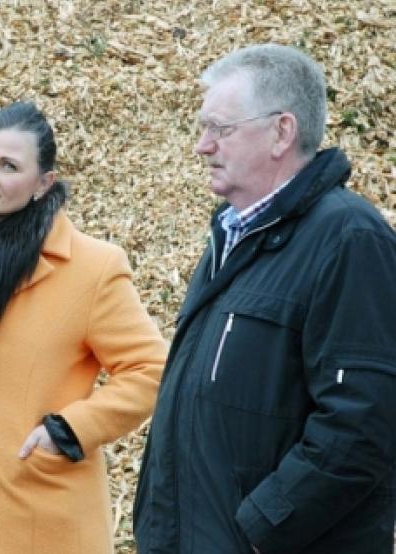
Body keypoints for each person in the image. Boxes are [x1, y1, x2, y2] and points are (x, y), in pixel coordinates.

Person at [134, 44, 396, 554]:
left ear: (282, 132)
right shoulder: (235, 237)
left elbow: (364, 424)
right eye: (202, 127)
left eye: (221, 129)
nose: (202, 146)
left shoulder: (350, 241)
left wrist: (261, 529)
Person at [0, 101, 167, 553]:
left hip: (42, 519)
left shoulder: (92, 268)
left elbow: (151, 369)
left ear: (44, 184)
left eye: (8, 166)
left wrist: (68, 431)